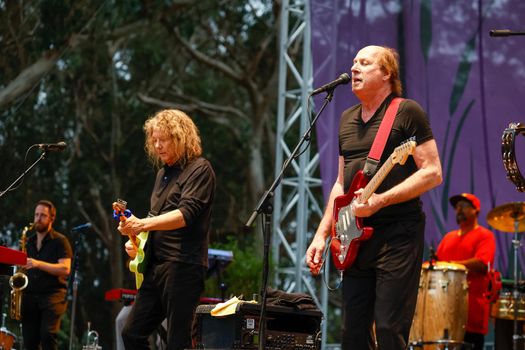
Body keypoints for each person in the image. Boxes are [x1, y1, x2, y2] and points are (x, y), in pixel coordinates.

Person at [306, 45, 442, 349]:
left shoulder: (406, 111)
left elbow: (433, 172)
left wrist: (382, 200)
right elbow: (341, 184)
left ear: (386, 74)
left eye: (364, 63)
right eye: (354, 62)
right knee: (352, 334)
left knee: (388, 327)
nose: (354, 68)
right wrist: (321, 235)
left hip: (398, 234)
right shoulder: (346, 119)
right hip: (355, 238)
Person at [118, 109, 215, 350]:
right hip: (155, 267)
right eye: (154, 140)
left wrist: (142, 224)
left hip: (183, 266)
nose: (158, 145)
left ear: (180, 137)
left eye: (164, 139)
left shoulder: (200, 169)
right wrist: (138, 243)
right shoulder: (162, 174)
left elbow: (185, 214)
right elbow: (156, 219)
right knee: (131, 333)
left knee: (177, 342)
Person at [436, 193, 496, 350]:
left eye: (464, 206)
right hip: (443, 312)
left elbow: (483, 264)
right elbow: (437, 264)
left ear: (476, 210)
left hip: (471, 314)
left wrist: (451, 265)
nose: (459, 209)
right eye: (457, 207)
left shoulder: (485, 236)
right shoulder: (448, 238)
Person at [21, 199, 72, 350]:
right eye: (36, 215)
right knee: (29, 341)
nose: (38, 218)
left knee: (47, 336)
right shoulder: (28, 242)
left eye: (43, 215)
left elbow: (65, 269)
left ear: (51, 218)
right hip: (30, 295)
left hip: (53, 296)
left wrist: (37, 263)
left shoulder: (60, 241)